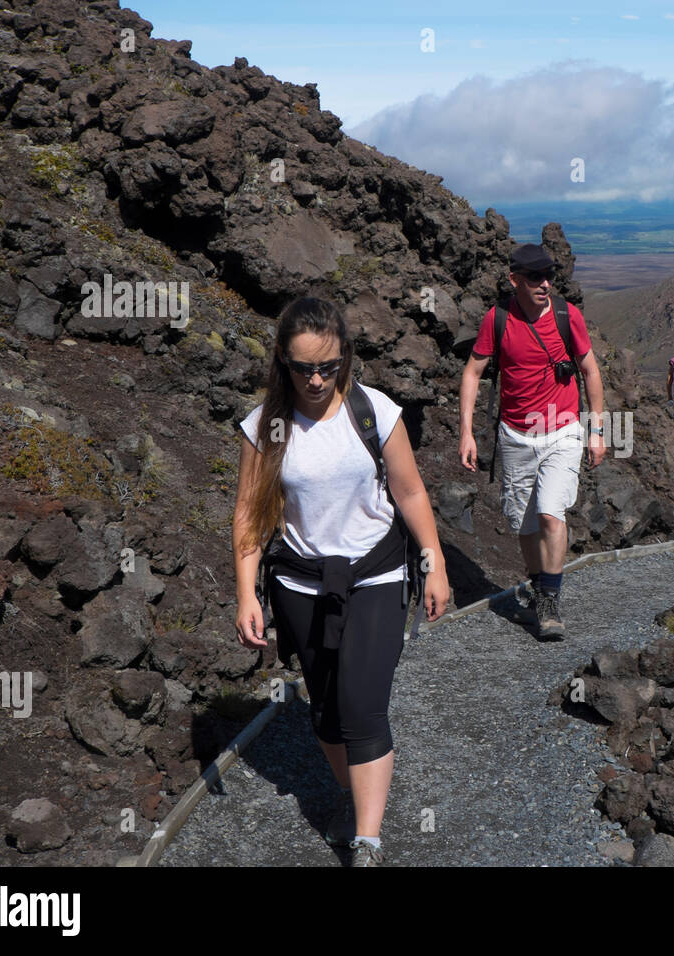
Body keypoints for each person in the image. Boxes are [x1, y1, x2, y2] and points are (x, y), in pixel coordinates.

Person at [232, 296, 450, 867]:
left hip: (376, 574)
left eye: (328, 366)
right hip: (302, 585)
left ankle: (368, 842)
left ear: (345, 357)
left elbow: (410, 493)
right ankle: (355, 802)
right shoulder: (266, 428)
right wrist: (246, 593)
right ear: (282, 361)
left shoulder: (374, 412)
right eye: (303, 367)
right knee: (326, 711)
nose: (316, 379)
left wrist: (434, 560)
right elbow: (250, 516)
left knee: (361, 705)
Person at [458, 243, 606, 640]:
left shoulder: (565, 315)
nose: (545, 284)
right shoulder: (498, 319)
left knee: (550, 513)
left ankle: (549, 605)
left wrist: (597, 430)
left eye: (549, 277)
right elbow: (473, 373)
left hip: (562, 431)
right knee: (522, 522)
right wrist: (467, 433)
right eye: (535, 278)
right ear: (514, 280)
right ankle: (540, 587)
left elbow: (590, 370)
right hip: (516, 435)